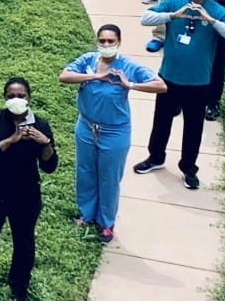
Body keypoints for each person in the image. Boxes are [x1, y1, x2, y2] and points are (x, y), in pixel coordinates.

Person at [133, 0, 225, 191]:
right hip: (169, 78)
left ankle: (189, 168)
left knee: (193, 128)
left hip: (199, 81)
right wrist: (173, 15)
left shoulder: (216, 9)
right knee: (161, 121)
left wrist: (211, 21)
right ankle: (155, 157)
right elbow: (145, 18)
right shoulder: (175, 2)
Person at [59, 24, 166, 243]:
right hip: (87, 127)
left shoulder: (127, 66)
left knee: (109, 177)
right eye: (102, 41)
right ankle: (86, 213)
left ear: (118, 42)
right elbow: (65, 76)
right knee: (85, 170)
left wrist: (131, 84)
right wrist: (94, 77)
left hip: (114, 132)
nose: (106, 45)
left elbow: (161, 86)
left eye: (111, 41)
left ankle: (106, 222)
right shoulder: (88, 61)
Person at [0, 78, 58, 301]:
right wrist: (11, 140)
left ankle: (19, 287)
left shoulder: (40, 125)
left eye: (21, 96)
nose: (16, 100)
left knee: (24, 242)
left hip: (26, 194)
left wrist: (45, 143)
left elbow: (49, 166)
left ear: (29, 98)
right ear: (5, 98)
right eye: (11, 96)